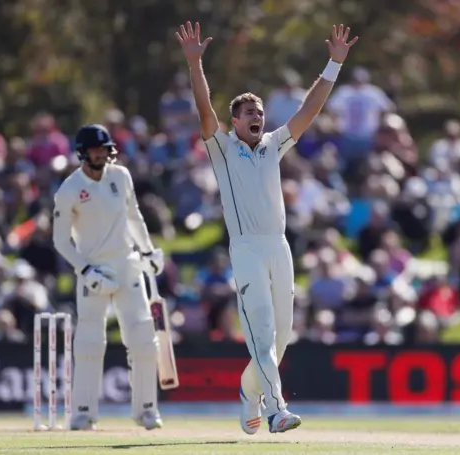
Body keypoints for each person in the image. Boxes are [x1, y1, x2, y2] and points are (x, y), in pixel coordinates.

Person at [175, 21, 357, 434]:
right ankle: (276, 410)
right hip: (247, 249)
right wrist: (194, 64)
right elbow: (204, 110)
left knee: (279, 340)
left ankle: (247, 391)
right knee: (260, 330)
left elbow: (309, 111)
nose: (257, 116)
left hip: (279, 246)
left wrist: (334, 64)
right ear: (235, 121)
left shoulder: (274, 144)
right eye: (249, 113)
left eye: (260, 111)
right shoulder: (221, 148)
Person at [52, 124, 165, 431]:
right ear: (82, 153)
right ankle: (83, 413)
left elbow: (134, 217)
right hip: (94, 270)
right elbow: (61, 241)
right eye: (95, 150)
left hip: (127, 264)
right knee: (89, 341)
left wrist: (148, 251)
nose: (101, 154)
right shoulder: (70, 189)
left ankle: (146, 410)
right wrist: (85, 270)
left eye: (104, 149)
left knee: (143, 337)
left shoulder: (121, 176)